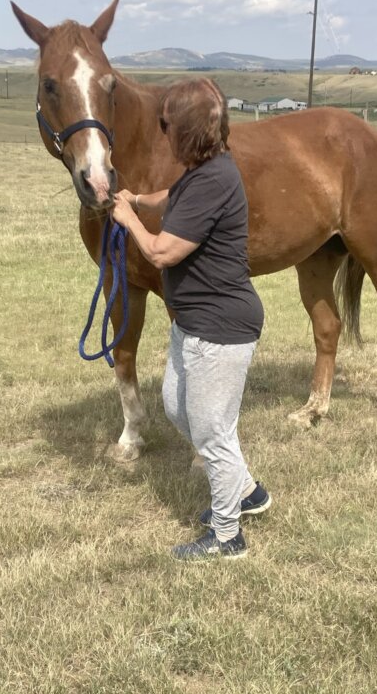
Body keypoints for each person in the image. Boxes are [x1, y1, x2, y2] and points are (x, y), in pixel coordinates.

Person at [111, 77, 270, 562]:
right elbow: (169, 198)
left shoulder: (214, 181)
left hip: (221, 329)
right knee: (178, 408)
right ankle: (247, 493)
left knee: (211, 433)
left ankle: (227, 537)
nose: (163, 135)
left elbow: (161, 252)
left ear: (184, 132)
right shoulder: (203, 171)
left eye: (167, 127)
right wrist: (137, 200)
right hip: (194, 323)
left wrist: (128, 221)